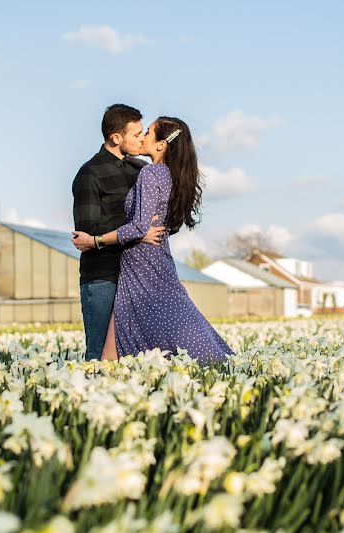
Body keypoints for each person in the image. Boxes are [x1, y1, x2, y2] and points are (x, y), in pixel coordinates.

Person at [73, 117, 234, 363]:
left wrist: (95, 241)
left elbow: (138, 226)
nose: (142, 136)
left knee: (112, 353)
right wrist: (144, 230)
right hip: (151, 259)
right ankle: (215, 362)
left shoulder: (149, 172)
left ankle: (208, 362)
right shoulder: (169, 174)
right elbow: (152, 224)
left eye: (147, 132)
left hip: (141, 264)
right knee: (175, 319)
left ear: (161, 145)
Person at [72, 104, 165, 361]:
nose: (141, 139)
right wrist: (138, 231)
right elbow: (88, 231)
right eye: (136, 135)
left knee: (135, 355)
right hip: (103, 276)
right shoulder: (89, 174)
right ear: (116, 138)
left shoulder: (140, 170)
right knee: (99, 354)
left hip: (136, 276)